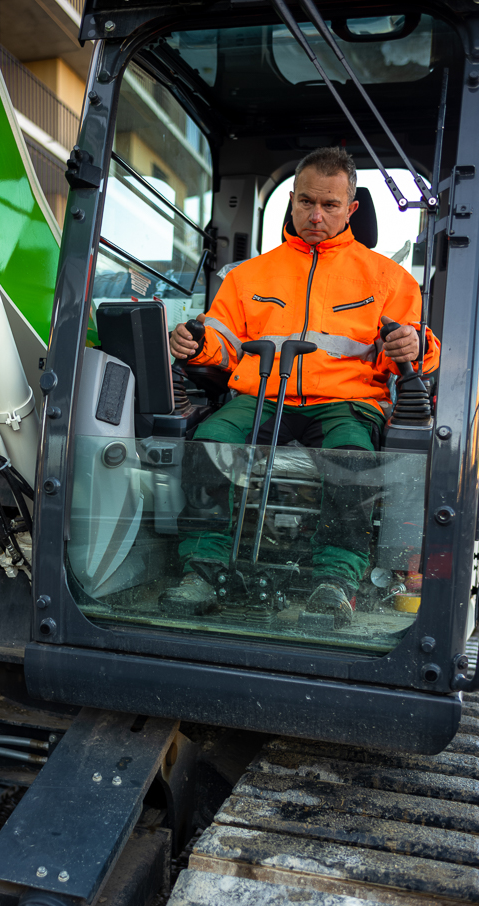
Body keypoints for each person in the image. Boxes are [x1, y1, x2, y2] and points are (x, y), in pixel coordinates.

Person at [161, 146, 440, 625]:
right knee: (209, 439)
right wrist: (195, 342)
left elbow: (414, 349)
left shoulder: (388, 279)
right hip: (262, 396)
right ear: (291, 201)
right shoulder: (249, 275)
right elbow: (223, 340)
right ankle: (202, 570)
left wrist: (416, 348)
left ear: (351, 208)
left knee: (350, 455)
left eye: (330, 206)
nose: (316, 215)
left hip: (346, 402)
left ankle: (335, 581)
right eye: (306, 202)